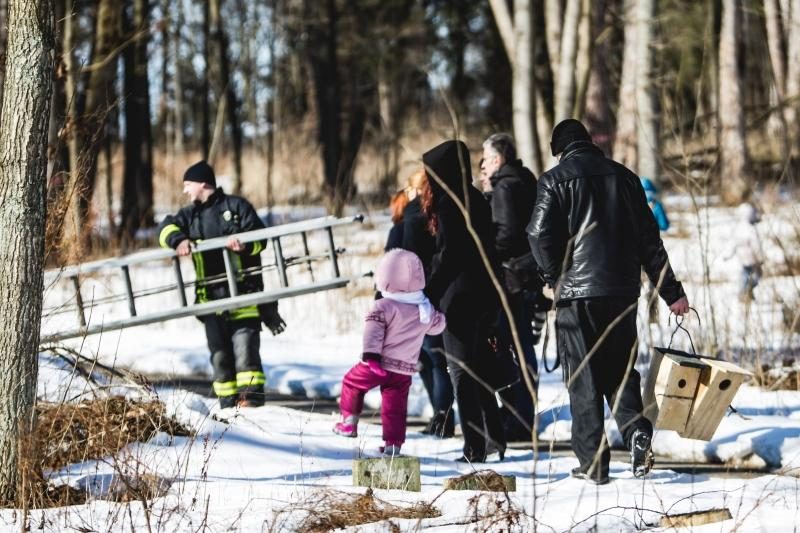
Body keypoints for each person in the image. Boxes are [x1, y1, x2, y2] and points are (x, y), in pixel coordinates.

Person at [527, 119, 690, 484]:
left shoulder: (554, 180)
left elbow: (537, 235)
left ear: (560, 150)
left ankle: (593, 464)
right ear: (588, 143)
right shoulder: (626, 178)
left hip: (576, 297)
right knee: (620, 369)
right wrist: (673, 293)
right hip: (621, 292)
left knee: (583, 376)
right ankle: (636, 432)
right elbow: (651, 242)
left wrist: (556, 276)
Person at [158, 161, 286, 409]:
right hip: (211, 301)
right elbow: (164, 228)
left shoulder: (237, 207)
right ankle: (227, 407)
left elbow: (261, 237)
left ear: (203, 183)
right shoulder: (189, 215)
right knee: (220, 359)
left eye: (188, 185)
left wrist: (246, 244)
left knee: (246, 356)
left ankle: (252, 404)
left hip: (244, 297)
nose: (185, 191)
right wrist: (178, 240)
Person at [422, 139, 506, 462]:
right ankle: (494, 436)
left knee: (460, 372)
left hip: (458, 300)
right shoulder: (476, 199)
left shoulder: (448, 204)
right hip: (484, 296)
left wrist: (429, 291)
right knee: (481, 368)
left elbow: (449, 255)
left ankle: (474, 445)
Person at [333, 249, 446, 456]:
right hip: (404, 369)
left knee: (351, 382)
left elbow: (373, 333)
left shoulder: (383, 306)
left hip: (379, 363)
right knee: (395, 407)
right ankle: (393, 445)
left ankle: (349, 423)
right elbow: (438, 326)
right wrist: (434, 312)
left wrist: (371, 357)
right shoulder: (423, 308)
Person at [479, 133, 540, 442]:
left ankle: (519, 416)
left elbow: (505, 233)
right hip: (528, 274)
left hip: (512, 277)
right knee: (521, 346)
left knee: (512, 346)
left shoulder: (505, 186)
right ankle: (520, 413)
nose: (484, 166)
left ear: (498, 159)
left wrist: (485, 251)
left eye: (486, 160)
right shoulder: (527, 179)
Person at [401, 170, 455, 438]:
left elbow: (406, 258)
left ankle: (442, 417)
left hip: (420, 295)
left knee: (431, 358)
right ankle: (442, 415)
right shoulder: (444, 210)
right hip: (440, 293)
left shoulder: (413, 216)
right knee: (436, 358)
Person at [726, 202, 764, 302]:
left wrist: (729, 254)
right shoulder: (750, 229)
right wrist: (760, 257)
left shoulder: (738, 228)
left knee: (745, 276)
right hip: (752, 258)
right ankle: (746, 292)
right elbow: (756, 244)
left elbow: (733, 243)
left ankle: (745, 293)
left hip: (743, 258)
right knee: (755, 276)